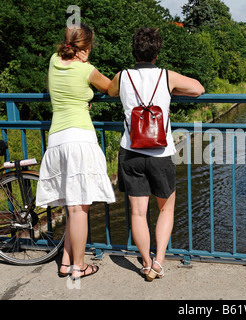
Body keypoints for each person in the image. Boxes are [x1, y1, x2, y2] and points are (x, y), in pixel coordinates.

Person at [108, 27, 204, 282]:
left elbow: (109, 92)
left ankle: (145, 262)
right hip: (161, 152)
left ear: (134, 51)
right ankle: (159, 261)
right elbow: (198, 89)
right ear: (157, 53)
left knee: (138, 212)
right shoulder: (166, 76)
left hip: (131, 151)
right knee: (166, 209)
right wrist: (173, 91)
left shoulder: (122, 76)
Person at [36, 24, 115, 280]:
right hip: (80, 138)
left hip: (56, 139)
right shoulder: (86, 70)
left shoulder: (52, 60)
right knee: (80, 207)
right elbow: (111, 88)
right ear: (86, 47)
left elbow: (51, 87)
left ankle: (66, 261)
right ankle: (79, 267)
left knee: (72, 203)